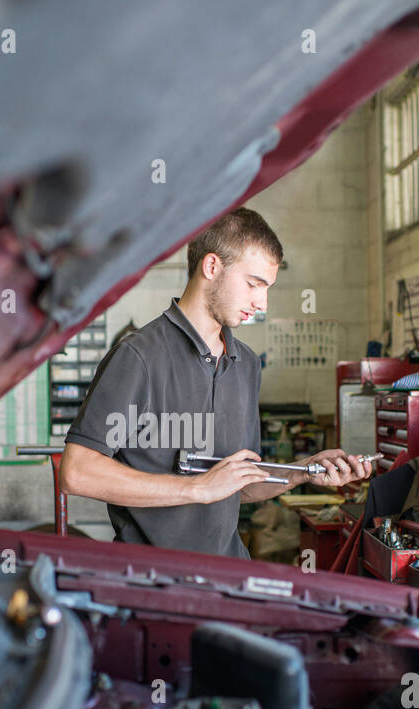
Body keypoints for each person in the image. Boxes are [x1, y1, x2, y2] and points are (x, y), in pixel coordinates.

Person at [59, 207, 372, 558]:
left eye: (267, 288)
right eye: (253, 284)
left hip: (228, 570)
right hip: (152, 577)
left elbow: (240, 486)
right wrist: (197, 488)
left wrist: (304, 471)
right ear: (212, 267)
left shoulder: (246, 364)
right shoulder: (138, 357)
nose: (261, 302)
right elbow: (77, 471)